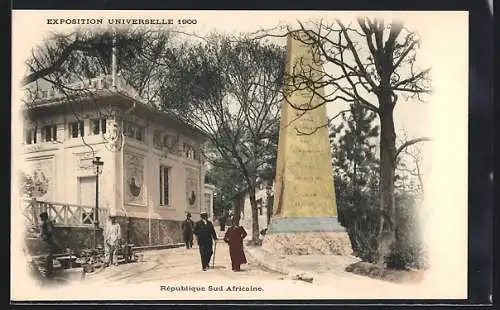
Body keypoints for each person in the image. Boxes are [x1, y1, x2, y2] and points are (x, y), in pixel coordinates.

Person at [39, 212, 57, 277]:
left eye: (41, 217)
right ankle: (49, 271)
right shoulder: (46, 222)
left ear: (45, 217)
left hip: (49, 242)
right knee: (49, 257)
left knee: (49, 257)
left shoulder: (47, 222)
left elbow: (50, 231)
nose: (40, 219)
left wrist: (44, 236)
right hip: (49, 241)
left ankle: (49, 272)